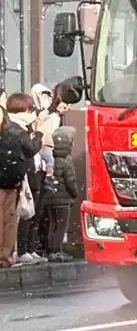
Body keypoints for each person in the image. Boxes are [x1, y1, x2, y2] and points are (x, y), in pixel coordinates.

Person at [6, 92, 46, 263]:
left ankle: (30, 248)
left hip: (34, 173)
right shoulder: (14, 129)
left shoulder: (22, 128)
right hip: (22, 176)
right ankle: (21, 251)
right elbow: (30, 149)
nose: (33, 115)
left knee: (33, 212)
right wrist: (39, 136)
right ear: (22, 111)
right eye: (31, 111)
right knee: (24, 213)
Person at [0, 100, 39, 268]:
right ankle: (6, 257)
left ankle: (6, 257)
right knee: (8, 221)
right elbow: (30, 149)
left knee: (8, 221)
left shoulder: (12, 131)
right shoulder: (16, 131)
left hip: (10, 183)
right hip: (10, 181)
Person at [41, 127, 78, 262]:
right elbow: (71, 181)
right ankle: (57, 251)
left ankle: (50, 250)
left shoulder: (49, 158)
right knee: (61, 225)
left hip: (49, 198)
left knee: (52, 224)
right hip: (63, 200)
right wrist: (75, 194)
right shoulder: (66, 160)